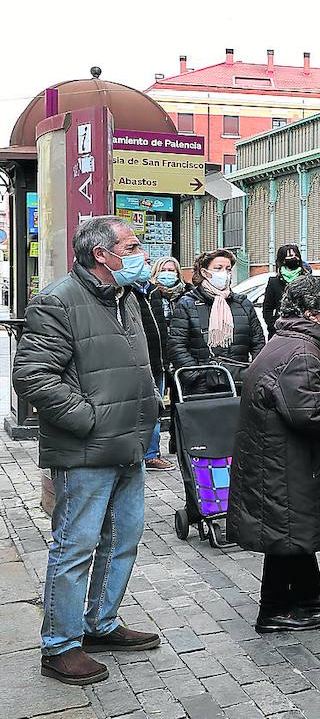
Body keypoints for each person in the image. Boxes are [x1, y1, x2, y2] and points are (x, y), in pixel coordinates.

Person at [14, 216, 163, 686]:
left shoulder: (127, 299)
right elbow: (33, 376)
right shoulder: (58, 301)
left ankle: (101, 623)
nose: (141, 253)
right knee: (76, 548)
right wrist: (90, 420)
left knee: (122, 541)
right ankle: (60, 644)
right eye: (132, 245)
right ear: (102, 254)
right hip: (86, 451)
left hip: (129, 445)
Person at [229, 277, 320, 633]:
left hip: (283, 454)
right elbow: (310, 414)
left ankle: (308, 591)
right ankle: (273, 609)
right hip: (280, 458)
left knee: (296, 526)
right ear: (308, 313)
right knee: (284, 531)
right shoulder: (300, 352)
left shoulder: (295, 341)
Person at [167, 249, 265, 395]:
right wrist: (196, 377)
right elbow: (177, 345)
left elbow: (258, 342)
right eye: (218, 268)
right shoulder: (187, 304)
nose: (224, 273)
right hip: (200, 386)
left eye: (228, 269)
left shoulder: (243, 304)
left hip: (238, 382)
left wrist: (253, 374)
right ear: (205, 272)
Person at [129, 259, 175, 471]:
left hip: (157, 361)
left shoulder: (154, 292)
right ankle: (136, 453)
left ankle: (151, 454)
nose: (145, 266)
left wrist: (166, 360)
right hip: (136, 363)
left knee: (156, 409)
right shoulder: (126, 293)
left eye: (148, 262)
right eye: (143, 262)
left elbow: (162, 331)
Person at [148, 257, 188, 459]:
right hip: (160, 356)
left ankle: (179, 443)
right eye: (164, 269)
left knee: (180, 403)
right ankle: (153, 453)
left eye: (172, 270)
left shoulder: (186, 293)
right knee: (157, 404)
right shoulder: (151, 294)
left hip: (181, 355)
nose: (168, 273)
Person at [262, 244, 309, 338]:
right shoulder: (274, 282)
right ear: (283, 260)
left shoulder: (306, 280)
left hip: (303, 329)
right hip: (280, 331)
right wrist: (273, 326)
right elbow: (267, 308)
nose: (294, 258)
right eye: (290, 256)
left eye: (296, 255)